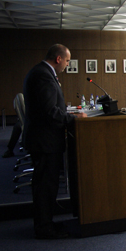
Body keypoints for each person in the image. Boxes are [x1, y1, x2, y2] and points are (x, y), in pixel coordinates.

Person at [23, 44, 87, 239]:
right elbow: (50, 112)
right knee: (45, 185)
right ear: (58, 59)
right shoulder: (43, 75)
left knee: (46, 184)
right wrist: (74, 119)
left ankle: (46, 223)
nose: (67, 65)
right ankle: (44, 228)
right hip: (45, 141)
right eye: (67, 61)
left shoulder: (41, 72)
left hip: (44, 139)